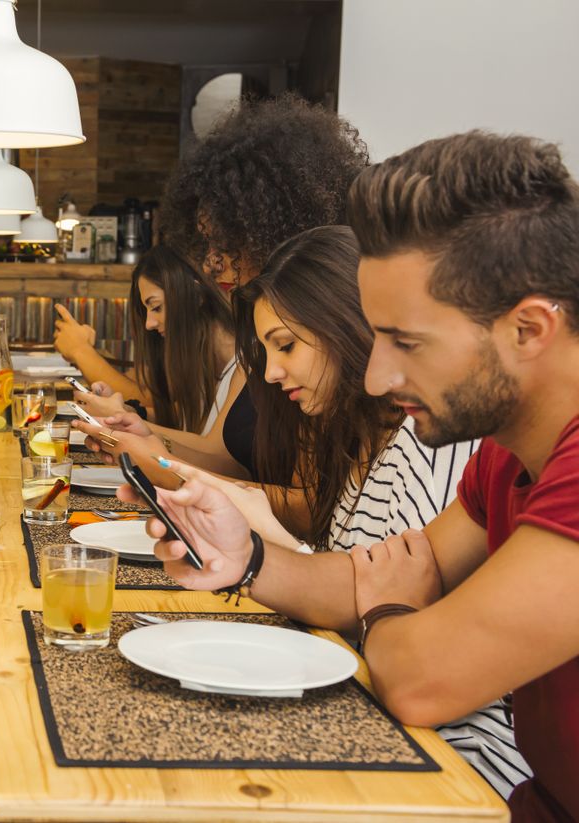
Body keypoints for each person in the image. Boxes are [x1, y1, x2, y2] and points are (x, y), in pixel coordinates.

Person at [140, 132, 579, 820]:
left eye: (408, 342)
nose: (376, 376)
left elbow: (420, 680)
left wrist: (387, 611)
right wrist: (245, 556)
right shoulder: (506, 449)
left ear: (528, 329)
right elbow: (369, 571)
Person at [60, 94, 370, 480]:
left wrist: (154, 459)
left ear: (270, 231)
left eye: (224, 244)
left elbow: (303, 511)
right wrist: (141, 435)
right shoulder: (260, 341)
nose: (210, 263)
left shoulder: (320, 352)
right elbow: (222, 456)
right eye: (207, 245)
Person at [75, 246, 239, 441]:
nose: (148, 324)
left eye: (157, 307)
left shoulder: (244, 367)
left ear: (196, 295)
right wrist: (128, 413)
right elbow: (184, 421)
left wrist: (133, 422)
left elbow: (214, 454)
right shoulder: (200, 360)